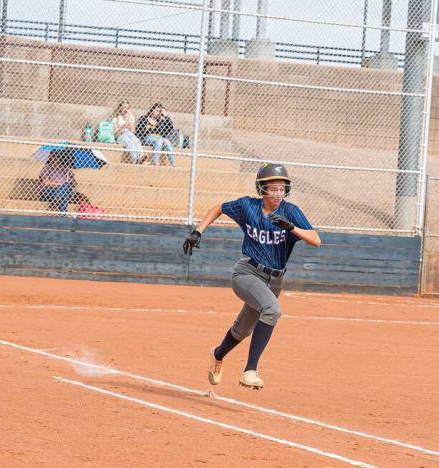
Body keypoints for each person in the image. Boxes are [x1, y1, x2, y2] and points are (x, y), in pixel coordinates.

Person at [183, 163, 321, 390]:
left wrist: (291, 228)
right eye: (273, 188)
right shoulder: (248, 206)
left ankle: (218, 354)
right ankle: (250, 371)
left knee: (243, 329)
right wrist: (198, 231)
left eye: (282, 188)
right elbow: (219, 208)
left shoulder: (290, 212)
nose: (278, 193)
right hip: (247, 272)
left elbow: (316, 239)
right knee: (273, 310)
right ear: (261, 189)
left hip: (274, 280)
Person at [136, 103, 176, 167]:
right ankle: (154, 162)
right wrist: (145, 128)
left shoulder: (161, 121)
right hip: (148, 137)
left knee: (167, 142)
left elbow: (170, 128)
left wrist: (167, 116)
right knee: (159, 141)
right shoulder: (144, 118)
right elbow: (138, 131)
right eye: (156, 110)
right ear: (152, 110)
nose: (158, 113)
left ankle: (173, 164)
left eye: (160, 111)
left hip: (159, 137)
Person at [39, 149, 75, 215]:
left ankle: (56, 200)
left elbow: (73, 184)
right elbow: (46, 183)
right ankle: (62, 213)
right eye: (52, 157)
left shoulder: (65, 169)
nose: (54, 159)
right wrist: (59, 184)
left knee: (65, 188)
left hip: (63, 191)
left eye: (56, 157)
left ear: (60, 158)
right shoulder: (46, 168)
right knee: (64, 190)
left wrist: (70, 175)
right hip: (48, 190)